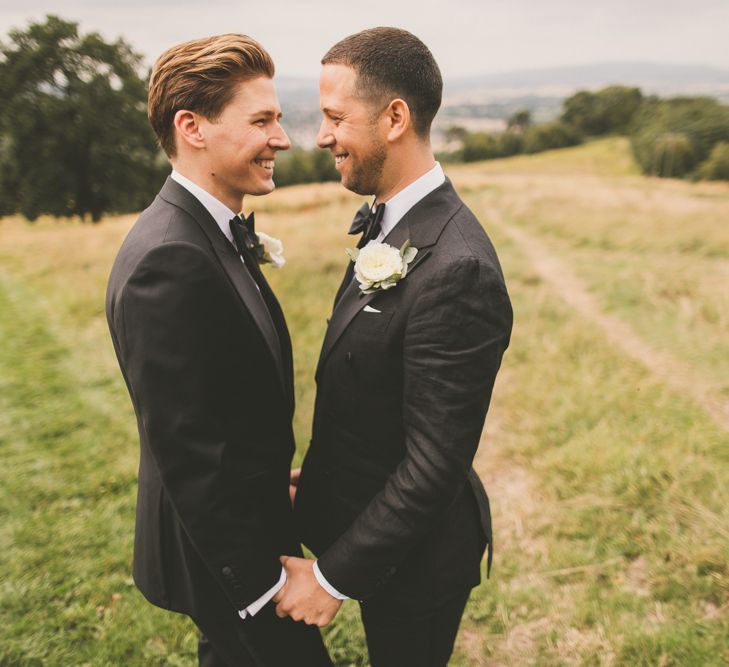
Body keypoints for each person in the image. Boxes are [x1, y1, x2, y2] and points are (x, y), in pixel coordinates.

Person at [275, 27, 513, 666]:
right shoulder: (394, 222)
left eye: (334, 117)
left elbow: (435, 462)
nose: (322, 137)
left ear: (395, 118)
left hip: (422, 562)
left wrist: (332, 579)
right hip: (370, 518)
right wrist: (319, 482)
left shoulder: (457, 266)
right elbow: (372, 388)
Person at [105, 34, 331, 667]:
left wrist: (267, 479)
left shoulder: (206, 231)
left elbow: (220, 401)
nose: (282, 139)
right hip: (226, 561)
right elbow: (188, 448)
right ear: (192, 127)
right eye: (262, 120)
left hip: (244, 527)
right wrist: (259, 587)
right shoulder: (170, 258)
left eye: (278, 119)